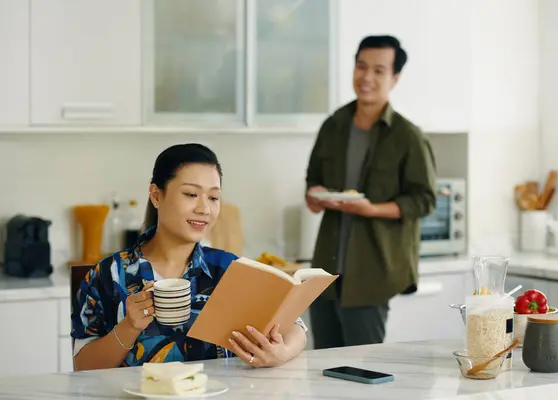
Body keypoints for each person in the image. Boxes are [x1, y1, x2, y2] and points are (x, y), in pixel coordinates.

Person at [71, 143, 308, 371]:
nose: (204, 209)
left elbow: (295, 326)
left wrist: (282, 353)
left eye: (213, 198)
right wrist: (129, 327)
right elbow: (83, 366)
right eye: (191, 194)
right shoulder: (108, 274)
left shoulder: (230, 269)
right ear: (156, 195)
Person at [305, 35, 437, 349]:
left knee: (362, 373)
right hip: (324, 273)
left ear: (394, 78)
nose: (366, 77)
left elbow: (424, 199)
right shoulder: (333, 125)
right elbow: (313, 182)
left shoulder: (407, 137)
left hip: (371, 275)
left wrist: (372, 209)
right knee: (322, 370)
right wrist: (315, 196)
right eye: (361, 67)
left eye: (378, 70)